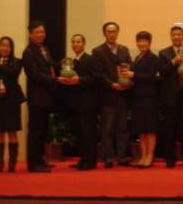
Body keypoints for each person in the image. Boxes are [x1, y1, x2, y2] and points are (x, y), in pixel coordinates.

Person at [92, 21, 132, 168]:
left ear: (117, 33)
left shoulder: (124, 49)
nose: (112, 34)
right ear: (104, 33)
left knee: (123, 128)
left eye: (114, 31)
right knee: (107, 129)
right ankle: (108, 157)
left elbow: (129, 68)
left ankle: (122, 157)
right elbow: (98, 74)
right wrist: (112, 84)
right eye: (109, 32)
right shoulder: (98, 51)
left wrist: (127, 82)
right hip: (107, 95)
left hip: (123, 94)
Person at [57, 34, 99, 170]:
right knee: (79, 132)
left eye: (78, 42)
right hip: (75, 102)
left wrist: (79, 80)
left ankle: (90, 161)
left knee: (88, 132)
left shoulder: (91, 59)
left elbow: (95, 78)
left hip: (88, 102)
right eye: (73, 42)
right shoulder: (71, 62)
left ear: (84, 44)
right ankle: (83, 159)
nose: (75, 44)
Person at [158, 26, 183, 167]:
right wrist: (173, 61)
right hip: (170, 96)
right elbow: (162, 72)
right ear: (171, 36)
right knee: (169, 128)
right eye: (174, 34)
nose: (177, 37)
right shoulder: (163, 53)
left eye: (179, 34)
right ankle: (170, 158)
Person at [0, 36, 25, 173]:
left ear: (11, 48)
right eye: (2, 45)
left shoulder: (17, 62)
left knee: (12, 131)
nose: (5, 48)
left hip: (12, 101)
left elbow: (13, 74)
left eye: (8, 46)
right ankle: (0, 164)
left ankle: (12, 163)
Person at [120, 31, 159, 168]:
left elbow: (151, 77)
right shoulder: (137, 57)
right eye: (139, 41)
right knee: (141, 129)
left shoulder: (153, 58)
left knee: (150, 128)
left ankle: (150, 156)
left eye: (144, 41)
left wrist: (134, 75)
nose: (142, 43)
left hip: (149, 97)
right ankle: (143, 156)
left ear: (149, 42)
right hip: (137, 97)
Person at [22, 20, 57, 173]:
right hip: (37, 97)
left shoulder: (44, 49)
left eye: (42, 32)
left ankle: (41, 159)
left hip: (47, 96)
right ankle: (33, 163)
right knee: (36, 131)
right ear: (30, 34)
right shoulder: (28, 52)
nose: (40, 34)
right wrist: (54, 80)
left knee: (43, 130)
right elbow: (34, 75)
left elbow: (51, 67)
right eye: (37, 32)